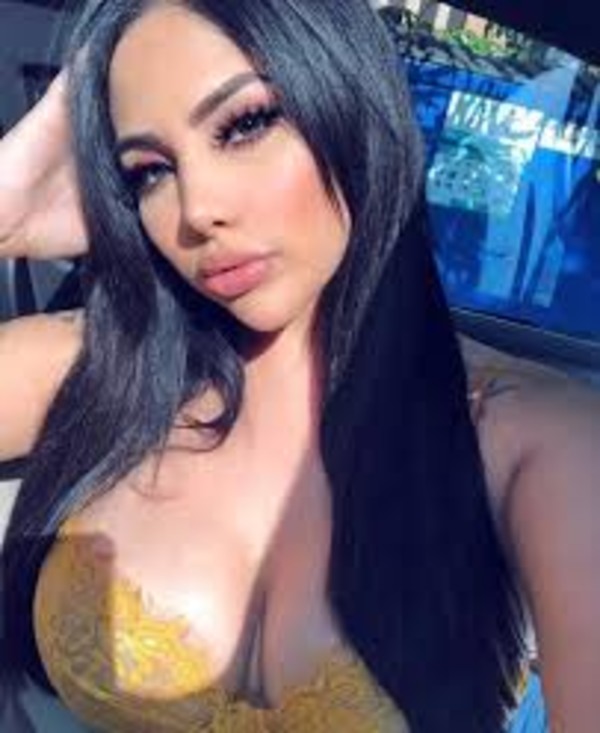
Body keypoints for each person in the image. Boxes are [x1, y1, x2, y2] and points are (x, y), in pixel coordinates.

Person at [0, 0, 598, 731]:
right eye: (150, 172)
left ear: (352, 101)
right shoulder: (99, 365)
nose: (197, 209)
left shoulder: (537, 439)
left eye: (245, 124)